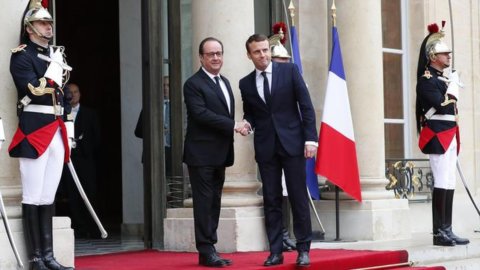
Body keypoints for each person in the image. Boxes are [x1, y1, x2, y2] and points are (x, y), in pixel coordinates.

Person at [239, 34, 318, 267]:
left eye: (265, 50)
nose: (262, 55)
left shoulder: (290, 71)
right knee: (271, 199)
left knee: (298, 197)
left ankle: (304, 249)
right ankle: (276, 251)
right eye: (257, 52)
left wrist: (311, 139)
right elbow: (251, 113)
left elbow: (306, 106)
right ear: (249, 55)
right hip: (266, 148)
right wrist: (246, 123)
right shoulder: (245, 83)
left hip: (293, 144)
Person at [8, 1, 75, 269]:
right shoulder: (22, 56)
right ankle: (35, 259)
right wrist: (55, 68)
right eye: (43, 23)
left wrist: (69, 131)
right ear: (30, 28)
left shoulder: (55, 55)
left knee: (48, 196)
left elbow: (65, 97)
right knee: (33, 195)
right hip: (34, 130)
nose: (48, 27)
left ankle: (48, 256)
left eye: (49, 23)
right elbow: (33, 89)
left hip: (56, 129)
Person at [183, 37, 247, 267]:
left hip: (220, 153)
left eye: (219, 53)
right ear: (201, 57)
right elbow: (201, 115)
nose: (215, 57)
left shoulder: (225, 82)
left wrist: (243, 123)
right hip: (200, 155)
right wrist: (234, 125)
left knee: (214, 202)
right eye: (210, 54)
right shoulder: (193, 84)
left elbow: (226, 114)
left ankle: (210, 247)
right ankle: (206, 249)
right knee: (203, 203)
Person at [415, 22, 469, 246]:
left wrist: (450, 85)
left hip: (449, 134)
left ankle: (448, 228)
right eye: (444, 54)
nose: (448, 57)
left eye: (448, 53)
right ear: (432, 56)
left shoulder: (442, 80)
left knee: (449, 181)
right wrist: (453, 88)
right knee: (440, 181)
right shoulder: (427, 81)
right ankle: (439, 233)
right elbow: (442, 105)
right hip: (437, 136)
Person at [58, 83, 101, 238]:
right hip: (68, 160)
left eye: (76, 92)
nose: (73, 95)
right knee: (72, 195)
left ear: (80, 94)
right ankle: (78, 228)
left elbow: (97, 138)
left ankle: (94, 227)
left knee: (90, 193)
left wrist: (85, 149)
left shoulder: (90, 114)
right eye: (70, 92)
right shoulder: (60, 113)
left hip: (86, 161)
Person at [268, 29, 297, 252]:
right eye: (280, 59)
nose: (284, 62)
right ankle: (281, 234)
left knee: (292, 191)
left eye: (286, 59)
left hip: (292, 142)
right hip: (270, 144)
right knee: (275, 192)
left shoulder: (293, 76)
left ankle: (291, 233)